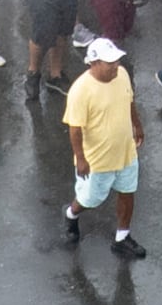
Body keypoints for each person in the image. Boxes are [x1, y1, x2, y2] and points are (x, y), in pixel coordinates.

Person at [58, 35, 145, 257]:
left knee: (128, 191)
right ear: (94, 63)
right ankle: (71, 213)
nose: (115, 65)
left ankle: (122, 236)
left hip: (126, 151)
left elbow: (129, 100)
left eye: (116, 60)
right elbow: (75, 129)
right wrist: (80, 158)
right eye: (110, 62)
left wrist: (137, 125)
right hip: (98, 159)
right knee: (91, 199)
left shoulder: (122, 75)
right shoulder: (81, 90)